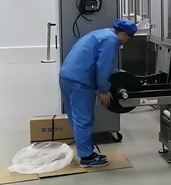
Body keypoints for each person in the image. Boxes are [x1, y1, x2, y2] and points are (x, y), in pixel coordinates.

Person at [58, 19, 137, 167]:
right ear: (124, 34)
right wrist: (104, 90)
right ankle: (87, 158)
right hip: (80, 82)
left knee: (75, 118)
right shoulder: (111, 40)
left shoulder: (102, 33)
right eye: (129, 38)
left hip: (66, 76)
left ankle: (86, 150)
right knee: (83, 120)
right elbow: (103, 67)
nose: (126, 42)